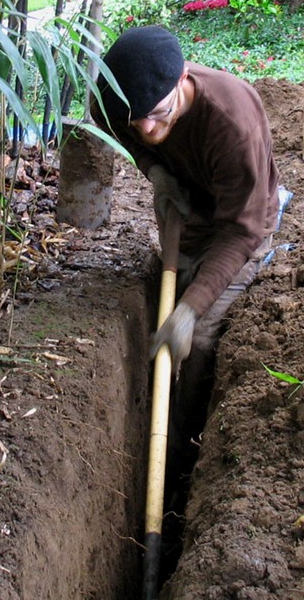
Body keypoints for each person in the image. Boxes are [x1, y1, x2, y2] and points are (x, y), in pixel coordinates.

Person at [92, 25, 280, 477]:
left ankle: (184, 457)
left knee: (196, 344)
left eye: (157, 115)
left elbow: (241, 230)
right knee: (169, 296)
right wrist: (156, 170)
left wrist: (190, 310)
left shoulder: (232, 123)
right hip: (186, 208)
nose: (148, 129)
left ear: (183, 80)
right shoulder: (125, 104)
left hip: (241, 223)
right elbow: (108, 119)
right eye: (137, 122)